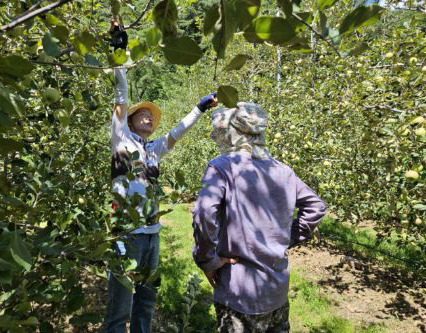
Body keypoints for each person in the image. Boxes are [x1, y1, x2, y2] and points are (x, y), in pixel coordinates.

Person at [104, 19, 218, 333]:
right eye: (143, 115)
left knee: (147, 298)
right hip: (126, 234)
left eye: (152, 118)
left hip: (153, 234)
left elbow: (177, 133)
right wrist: (119, 51)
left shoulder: (153, 149)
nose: (149, 120)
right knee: (120, 303)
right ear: (130, 119)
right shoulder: (120, 138)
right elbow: (121, 94)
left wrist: (200, 108)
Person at [192, 102, 326, 332]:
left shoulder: (222, 167)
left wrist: (208, 261)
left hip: (239, 291)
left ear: (230, 133)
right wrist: (287, 238)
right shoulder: (283, 171)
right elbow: (316, 207)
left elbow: (204, 214)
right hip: (276, 290)